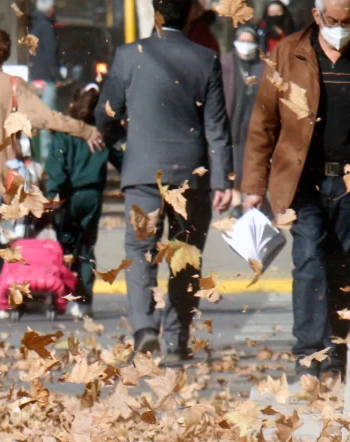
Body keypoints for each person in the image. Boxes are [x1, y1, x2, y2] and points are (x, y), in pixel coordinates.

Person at [242, 0, 350, 379]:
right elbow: (263, 124)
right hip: (301, 180)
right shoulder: (288, 53)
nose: (341, 29)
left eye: (349, 22)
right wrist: (253, 186)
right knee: (308, 263)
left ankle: (335, 351)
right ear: (315, 16)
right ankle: (309, 355)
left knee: (343, 269)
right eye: (333, 21)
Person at [95, 0, 233, 365]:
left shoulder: (128, 55)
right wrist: (222, 180)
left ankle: (144, 329)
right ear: (190, 14)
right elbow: (217, 127)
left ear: (155, 14)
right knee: (185, 257)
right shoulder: (205, 59)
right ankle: (176, 339)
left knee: (140, 252)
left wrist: (116, 138)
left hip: (142, 173)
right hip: (192, 174)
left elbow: (105, 111)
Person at [0, 27, 102, 321]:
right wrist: (84, 129)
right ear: (5, 56)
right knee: (2, 241)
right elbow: (47, 118)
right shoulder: (15, 85)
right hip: (5, 179)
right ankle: (0, 299)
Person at [45, 83, 122, 319]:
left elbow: (56, 168)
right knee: (87, 248)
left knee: (64, 248)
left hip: (67, 197)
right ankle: (84, 301)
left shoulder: (64, 133)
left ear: (73, 103)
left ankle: (60, 296)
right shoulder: (102, 133)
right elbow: (121, 158)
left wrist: (52, 194)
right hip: (92, 196)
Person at [222, 25, 264, 218]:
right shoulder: (227, 63)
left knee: (251, 163)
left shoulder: (262, 65)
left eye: (250, 42)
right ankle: (238, 205)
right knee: (236, 165)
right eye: (242, 41)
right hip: (233, 123)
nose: (246, 46)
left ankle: (251, 205)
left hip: (254, 124)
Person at [30, 0, 60, 162]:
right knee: (48, 118)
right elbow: (51, 54)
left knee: (36, 118)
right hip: (46, 79)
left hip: (35, 77)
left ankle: (37, 156)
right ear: (50, 10)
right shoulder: (47, 28)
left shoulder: (35, 26)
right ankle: (46, 158)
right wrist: (55, 75)